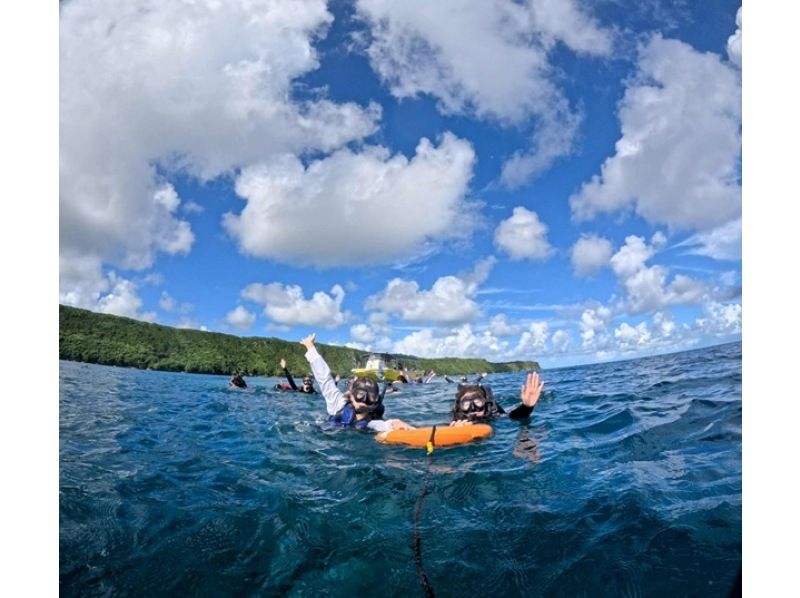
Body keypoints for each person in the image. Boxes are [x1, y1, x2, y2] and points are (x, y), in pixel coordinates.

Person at [300, 333, 413, 432]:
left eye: (370, 400)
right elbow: (324, 377)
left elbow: (378, 425)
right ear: (351, 395)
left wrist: (392, 423)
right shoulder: (337, 404)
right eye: (361, 397)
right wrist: (310, 347)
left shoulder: (373, 417)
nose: (364, 404)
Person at [449, 372, 544, 427]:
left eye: (478, 402)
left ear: (486, 404)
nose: (473, 409)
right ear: (460, 408)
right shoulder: (456, 419)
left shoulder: (492, 415)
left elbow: (512, 416)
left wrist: (527, 407)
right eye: (466, 404)